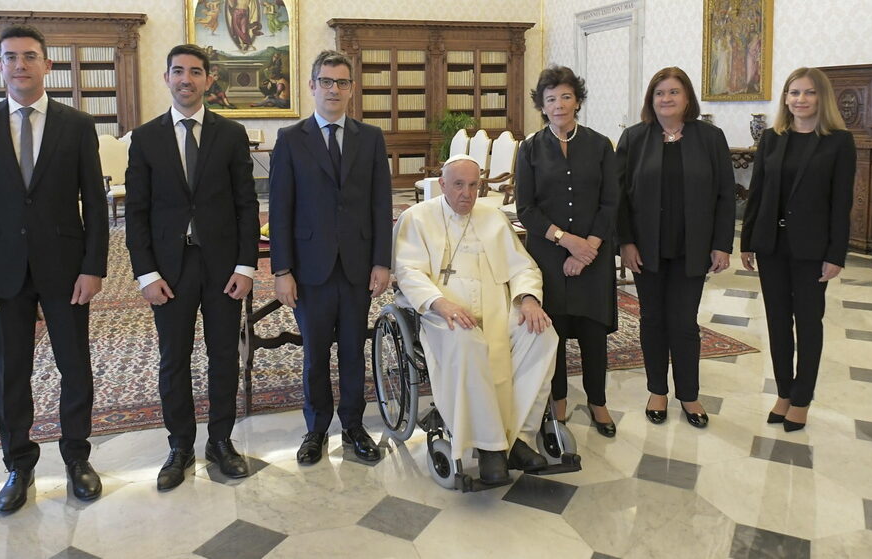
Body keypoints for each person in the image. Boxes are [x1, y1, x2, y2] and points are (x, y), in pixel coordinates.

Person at [0, 24, 109, 512]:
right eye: (10, 57)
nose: (20, 64)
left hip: (66, 268)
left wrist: (94, 266)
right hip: (1, 272)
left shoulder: (78, 125)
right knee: (12, 372)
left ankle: (77, 458)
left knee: (74, 366)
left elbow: (96, 203)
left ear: (48, 64)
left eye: (29, 56)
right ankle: (18, 466)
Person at [125, 44, 260, 489]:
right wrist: (146, 274)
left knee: (224, 355)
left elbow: (246, 204)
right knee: (173, 359)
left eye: (195, 72)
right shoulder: (145, 138)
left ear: (208, 79)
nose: (186, 79)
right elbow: (138, 213)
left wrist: (246, 265)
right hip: (169, 269)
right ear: (166, 78)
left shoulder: (231, 134)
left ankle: (220, 441)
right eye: (178, 71)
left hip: (223, 268)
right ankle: (179, 444)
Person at [395, 155, 558, 484]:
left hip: (497, 303)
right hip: (443, 309)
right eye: (458, 185)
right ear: (442, 185)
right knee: (468, 340)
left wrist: (527, 298)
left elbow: (523, 266)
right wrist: (439, 303)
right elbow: (408, 271)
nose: (467, 194)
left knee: (541, 334)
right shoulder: (417, 217)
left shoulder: (494, 217)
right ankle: (490, 448)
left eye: (474, 185)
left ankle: (518, 440)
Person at [268, 50, 392, 465]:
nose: (334, 89)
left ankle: (355, 426)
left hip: (357, 267)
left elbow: (380, 204)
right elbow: (280, 208)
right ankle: (316, 429)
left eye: (342, 82)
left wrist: (382, 261)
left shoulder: (370, 137)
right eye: (326, 81)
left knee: (355, 351)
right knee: (315, 352)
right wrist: (281, 269)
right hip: (310, 269)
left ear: (351, 89)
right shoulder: (290, 139)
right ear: (312, 86)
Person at [617, 67, 735, 429]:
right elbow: (618, 196)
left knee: (684, 322)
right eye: (659, 93)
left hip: (692, 246)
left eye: (673, 92)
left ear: (687, 99)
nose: (666, 99)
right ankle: (657, 390)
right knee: (652, 320)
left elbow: (725, 194)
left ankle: (689, 393)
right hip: (646, 247)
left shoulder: (710, 137)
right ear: (651, 100)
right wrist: (625, 242)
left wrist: (721, 244)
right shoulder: (635, 138)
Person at [740, 67, 856, 432]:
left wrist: (836, 254)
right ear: (786, 98)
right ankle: (784, 393)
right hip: (772, 245)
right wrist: (747, 241)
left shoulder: (838, 141)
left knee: (807, 323)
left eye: (808, 93)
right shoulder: (774, 138)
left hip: (812, 248)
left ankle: (802, 398)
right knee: (776, 321)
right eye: (793, 93)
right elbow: (757, 192)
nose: (800, 100)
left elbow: (842, 203)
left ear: (822, 98)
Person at [516, 65, 620, 437]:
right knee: (553, 330)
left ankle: (598, 401)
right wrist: (566, 241)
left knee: (593, 331)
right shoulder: (529, 148)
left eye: (565, 96)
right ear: (541, 107)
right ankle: (557, 399)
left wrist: (588, 246)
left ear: (577, 101)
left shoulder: (600, 144)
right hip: (549, 254)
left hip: (594, 255)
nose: (558, 105)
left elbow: (611, 202)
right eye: (550, 99)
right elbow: (525, 208)